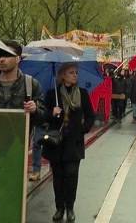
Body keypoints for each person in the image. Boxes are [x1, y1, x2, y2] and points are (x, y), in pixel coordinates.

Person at [0, 41, 45, 181]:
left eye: (7, 55)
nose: (1, 59)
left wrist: (35, 109)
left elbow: (42, 118)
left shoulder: (31, 85)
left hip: (18, 152)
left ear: (18, 58)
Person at [42, 63, 95, 222]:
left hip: (74, 143)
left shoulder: (83, 94)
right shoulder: (53, 94)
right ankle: (59, 208)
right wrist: (52, 113)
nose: (75, 75)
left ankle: (70, 207)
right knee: (58, 177)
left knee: (72, 176)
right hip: (56, 143)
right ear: (62, 75)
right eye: (71, 73)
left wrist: (83, 130)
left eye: (76, 73)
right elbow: (43, 116)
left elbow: (90, 116)